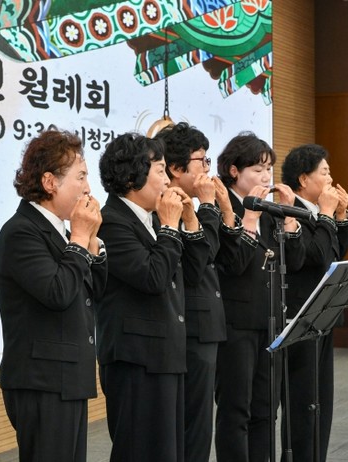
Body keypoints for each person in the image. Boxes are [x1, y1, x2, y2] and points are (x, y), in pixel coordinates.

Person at [96, 133, 210, 461]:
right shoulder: (112, 222)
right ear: (131, 177)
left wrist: (189, 219)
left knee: (167, 451)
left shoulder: (156, 218)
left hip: (166, 353)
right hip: (135, 359)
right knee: (139, 451)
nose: (167, 180)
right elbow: (153, 277)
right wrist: (171, 227)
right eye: (160, 170)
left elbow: (194, 271)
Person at [0, 129, 106, 461]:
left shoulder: (62, 232)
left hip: (67, 378)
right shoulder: (21, 232)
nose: (88, 188)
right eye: (81, 177)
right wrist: (80, 239)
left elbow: (96, 292)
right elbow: (58, 292)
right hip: (42, 380)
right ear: (49, 182)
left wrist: (91, 242)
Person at [214, 132, 304, 462]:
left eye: (269, 169)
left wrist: (290, 217)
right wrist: (249, 220)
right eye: (257, 169)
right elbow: (233, 265)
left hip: (270, 321)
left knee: (266, 409)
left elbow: (295, 262)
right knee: (236, 409)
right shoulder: (221, 209)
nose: (266, 177)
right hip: (235, 324)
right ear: (234, 171)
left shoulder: (270, 210)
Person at [156, 122, 239, 462]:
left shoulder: (193, 205)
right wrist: (207, 206)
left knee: (200, 424)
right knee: (190, 425)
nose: (207, 168)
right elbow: (197, 261)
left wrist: (225, 210)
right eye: (201, 161)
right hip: (188, 325)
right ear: (176, 168)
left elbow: (227, 259)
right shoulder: (167, 207)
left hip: (208, 325)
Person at [280, 144, 348, 462]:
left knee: (321, 400)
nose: (330, 179)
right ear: (303, 179)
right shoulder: (290, 210)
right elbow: (315, 255)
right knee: (303, 401)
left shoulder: (316, 211)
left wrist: (340, 216)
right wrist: (326, 215)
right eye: (324, 172)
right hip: (300, 316)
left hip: (322, 312)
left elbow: (336, 250)